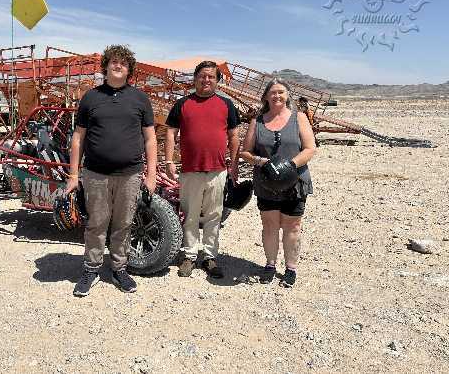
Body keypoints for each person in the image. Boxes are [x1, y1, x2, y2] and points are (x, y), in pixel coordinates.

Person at [65, 44, 157, 297]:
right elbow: (78, 138)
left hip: (130, 174)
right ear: (105, 66)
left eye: (123, 63)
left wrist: (151, 175)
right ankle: (91, 269)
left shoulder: (140, 99)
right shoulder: (91, 98)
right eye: (114, 61)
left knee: (123, 223)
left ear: (129, 70)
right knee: (96, 223)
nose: (118, 65)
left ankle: (119, 269)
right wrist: (73, 175)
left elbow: (150, 139)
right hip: (95, 174)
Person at [164, 61, 240, 279]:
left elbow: (234, 135)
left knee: (214, 215)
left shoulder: (226, 105)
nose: (206, 80)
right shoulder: (182, 104)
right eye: (202, 76)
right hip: (190, 170)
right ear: (195, 78)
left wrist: (234, 165)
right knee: (190, 215)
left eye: (211, 77)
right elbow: (171, 133)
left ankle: (209, 256)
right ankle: (189, 255)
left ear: (217, 81)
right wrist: (169, 161)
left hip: (217, 170)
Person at [238, 78, 316, 288]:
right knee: (269, 225)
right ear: (266, 97)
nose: (277, 96)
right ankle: (270, 265)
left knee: (293, 226)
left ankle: (291, 268)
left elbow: (310, 148)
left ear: (288, 95)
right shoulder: (257, 122)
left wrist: (289, 165)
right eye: (273, 92)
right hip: (267, 183)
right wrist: (260, 161)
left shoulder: (299, 118)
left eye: (281, 92)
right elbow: (245, 152)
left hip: (295, 182)